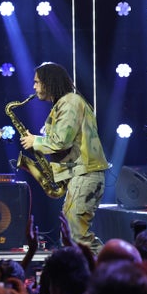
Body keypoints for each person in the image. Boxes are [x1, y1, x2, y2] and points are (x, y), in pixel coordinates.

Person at [20, 62, 108, 254]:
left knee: (77, 236)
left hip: (85, 174)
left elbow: (61, 141)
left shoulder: (69, 103)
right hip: (80, 175)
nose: (34, 87)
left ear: (48, 82)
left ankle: (117, 270)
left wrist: (35, 141)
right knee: (72, 236)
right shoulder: (64, 103)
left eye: (37, 82)